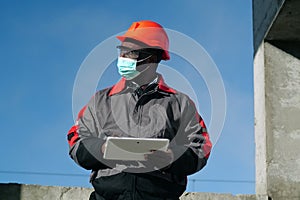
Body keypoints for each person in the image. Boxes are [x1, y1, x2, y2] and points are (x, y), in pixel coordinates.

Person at [67, 20, 212, 200]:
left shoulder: (180, 103)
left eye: (131, 53)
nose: (123, 58)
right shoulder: (101, 100)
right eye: (122, 52)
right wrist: (102, 149)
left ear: (151, 58)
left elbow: (201, 147)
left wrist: (172, 157)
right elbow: (76, 139)